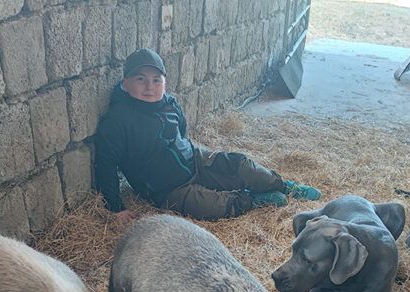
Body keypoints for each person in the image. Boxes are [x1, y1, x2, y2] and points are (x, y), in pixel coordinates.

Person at [94, 48, 322, 224]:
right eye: (140, 79)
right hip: (166, 189)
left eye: (156, 80)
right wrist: (116, 207)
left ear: (164, 83)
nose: (149, 87)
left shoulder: (170, 104)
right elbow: (105, 166)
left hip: (194, 161)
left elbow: (182, 133)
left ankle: (283, 186)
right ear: (125, 83)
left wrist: (192, 157)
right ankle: (252, 200)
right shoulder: (117, 121)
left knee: (240, 164)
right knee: (212, 206)